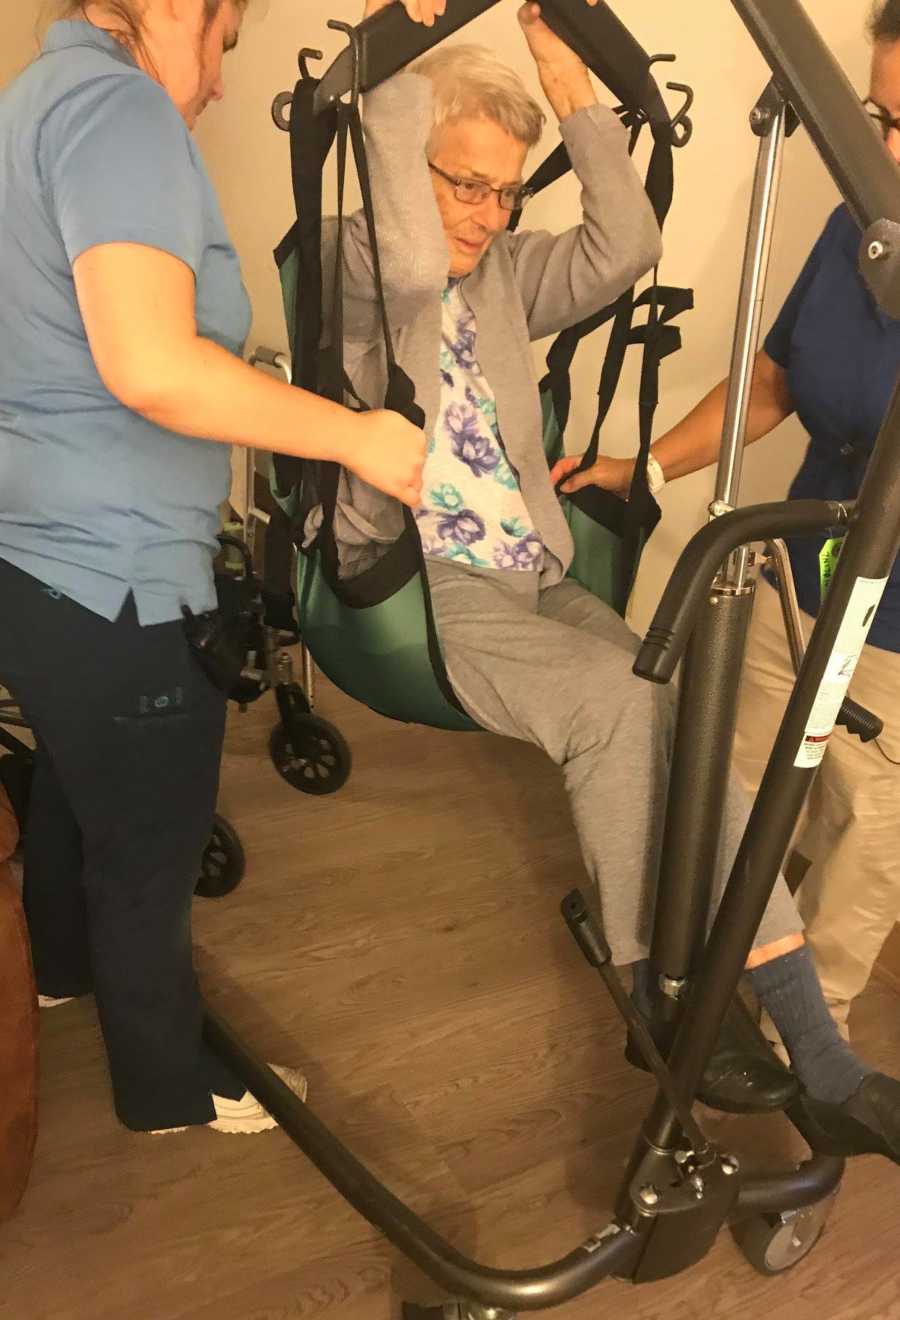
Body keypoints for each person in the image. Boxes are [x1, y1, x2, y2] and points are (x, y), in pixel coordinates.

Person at [326, 0, 900, 1158]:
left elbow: (624, 247)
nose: (484, 215)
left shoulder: (496, 278)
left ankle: (815, 1047)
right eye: (462, 183)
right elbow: (399, 222)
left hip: (529, 570)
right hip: (422, 581)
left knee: (681, 706)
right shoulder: (363, 262)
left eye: (502, 191)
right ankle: (660, 994)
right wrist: (394, 44)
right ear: (409, 170)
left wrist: (569, 88)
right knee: (619, 705)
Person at [0, 0, 426, 1135]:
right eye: (224, 41)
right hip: (117, 571)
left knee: (73, 788)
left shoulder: (40, 95)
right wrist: (354, 436)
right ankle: (166, 1087)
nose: (223, 82)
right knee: (151, 845)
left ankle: (59, 973)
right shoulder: (119, 110)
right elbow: (152, 366)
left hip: (40, 564)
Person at [553, 0, 900, 1050]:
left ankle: (813, 1060)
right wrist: (642, 468)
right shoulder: (860, 223)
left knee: (865, 844)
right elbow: (776, 380)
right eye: (877, 116)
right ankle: (693, 988)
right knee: (727, 785)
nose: (881, 150)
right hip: (804, 571)